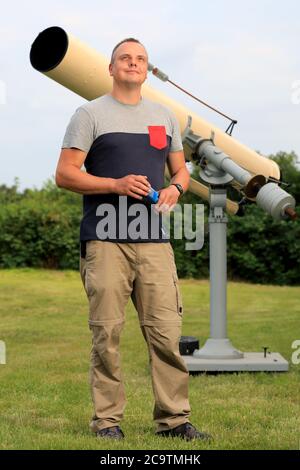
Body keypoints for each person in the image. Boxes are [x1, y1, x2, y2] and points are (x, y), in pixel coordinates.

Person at [55, 37, 211, 441]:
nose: (133, 63)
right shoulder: (88, 114)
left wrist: (177, 188)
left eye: (140, 59)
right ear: (111, 68)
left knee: (166, 332)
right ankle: (107, 422)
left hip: (154, 241)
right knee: (106, 332)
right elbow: (66, 174)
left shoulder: (164, 117)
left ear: (146, 69)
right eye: (125, 58)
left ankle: (174, 420)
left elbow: (180, 172)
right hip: (105, 240)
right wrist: (116, 184)